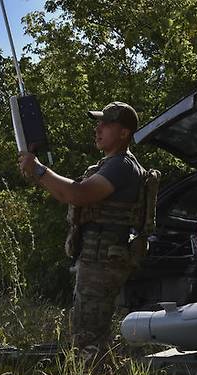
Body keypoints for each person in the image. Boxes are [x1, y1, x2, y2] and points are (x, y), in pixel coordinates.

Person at [18, 101, 146, 355]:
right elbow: (68, 194)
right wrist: (36, 171)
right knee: (87, 334)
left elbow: (77, 194)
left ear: (124, 133)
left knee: (88, 339)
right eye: (98, 122)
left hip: (103, 263)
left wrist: (39, 169)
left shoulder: (122, 166)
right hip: (97, 259)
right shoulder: (111, 164)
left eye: (107, 124)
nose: (98, 128)